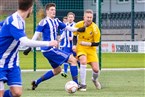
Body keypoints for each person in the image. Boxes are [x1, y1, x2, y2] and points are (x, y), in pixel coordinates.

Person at [0, 0, 58, 97]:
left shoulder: (18, 19)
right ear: (30, 8)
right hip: (1, 61)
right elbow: (25, 42)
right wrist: (49, 43)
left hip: (12, 62)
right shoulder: (15, 22)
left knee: (17, 93)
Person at [23, 3, 85, 90]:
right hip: (49, 49)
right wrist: (30, 47)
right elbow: (36, 34)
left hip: (48, 51)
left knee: (57, 70)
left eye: (54, 10)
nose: (54, 11)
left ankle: (36, 82)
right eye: (51, 10)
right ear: (47, 11)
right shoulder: (43, 21)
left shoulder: (56, 21)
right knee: (73, 60)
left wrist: (78, 29)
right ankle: (76, 85)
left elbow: (67, 28)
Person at [73, 9, 101, 92]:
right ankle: (83, 84)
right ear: (84, 17)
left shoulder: (95, 28)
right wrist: (74, 45)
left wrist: (87, 43)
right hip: (81, 48)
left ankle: (94, 80)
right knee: (83, 61)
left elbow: (97, 43)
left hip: (91, 50)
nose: (89, 19)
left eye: (91, 17)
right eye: (87, 17)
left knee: (96, 70)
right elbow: (74, 36)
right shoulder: (78, 25)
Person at [59, 12, 77, 78]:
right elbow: (64, 33)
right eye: (69, 17)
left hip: (74, 46)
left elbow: (78, 34)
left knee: (76, 59)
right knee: (66, 58)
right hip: (66, 45)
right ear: (67, 18)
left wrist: (73, 38)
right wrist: (60, 39)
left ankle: (79, 70)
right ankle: (65, 72)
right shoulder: (65, 25)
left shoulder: (76, 25)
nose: (70, 18)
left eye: (71, 17)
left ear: (73, 18)